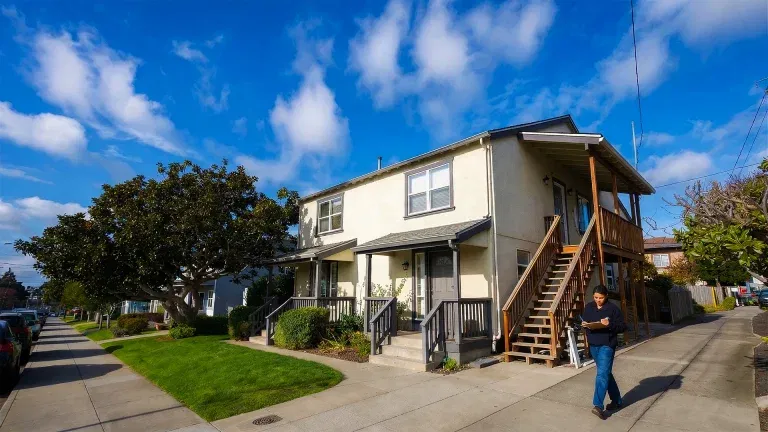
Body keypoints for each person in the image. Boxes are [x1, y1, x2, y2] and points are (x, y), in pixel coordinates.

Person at [583, 284, 626, 420]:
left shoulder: (613, 309)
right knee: (605, 372)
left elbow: (622, 326)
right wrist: (585, 325)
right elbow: (585, 322)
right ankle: (617, 400)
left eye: (600, 298)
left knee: (602, 374)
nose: (598, 300)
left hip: (607, 345)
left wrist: (609, 324)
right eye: (596, 297)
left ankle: (598, 405)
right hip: (594, 344)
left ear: (606, 296)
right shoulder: (589, 307)